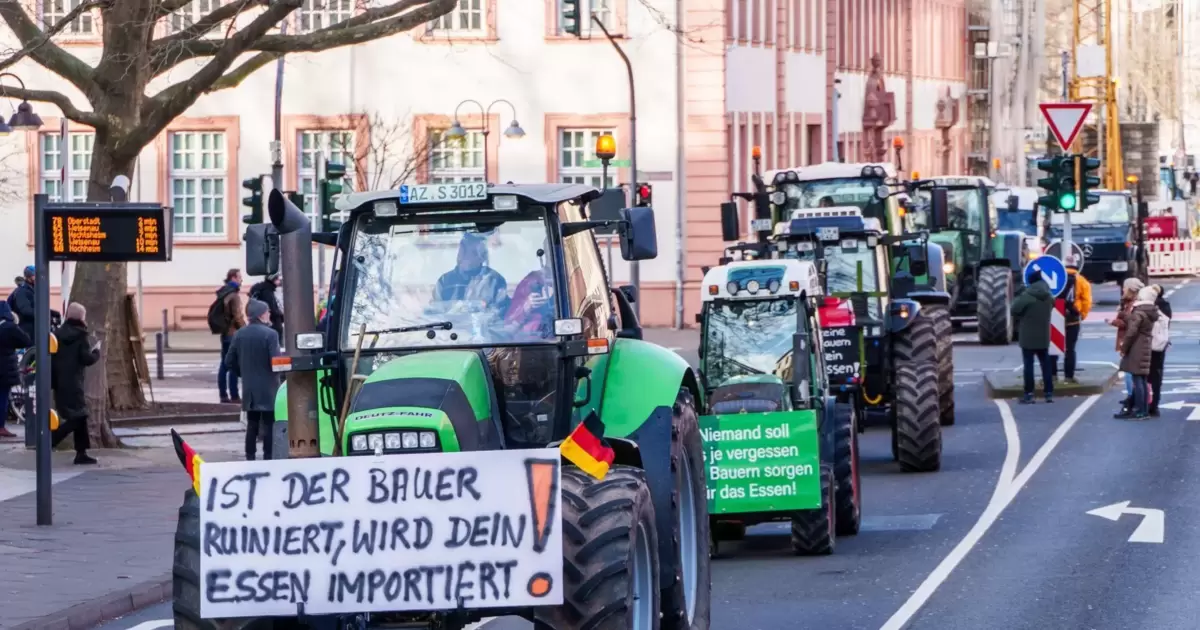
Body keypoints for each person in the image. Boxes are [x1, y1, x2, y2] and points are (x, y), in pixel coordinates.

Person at [225, 299, 282, 460]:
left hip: (250, 388)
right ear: (261, 315)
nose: (269, 313)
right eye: (267, 311)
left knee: (252, 424)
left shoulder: (239, 334)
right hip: (269, 387)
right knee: (269, 424)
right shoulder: (271, 335)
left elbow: (229, 362)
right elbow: (276, 362)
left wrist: (243, 373)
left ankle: (250, 457)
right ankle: (268, 457)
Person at [49, 303, 99, 464]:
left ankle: (81, 453)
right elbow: (86, 359)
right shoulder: (80, 336)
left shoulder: (57, 334)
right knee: (78, 416)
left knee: (79, 416)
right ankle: (50, 440)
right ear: (81, 318)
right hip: (74, 382)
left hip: (59, 382)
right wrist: (96, 352)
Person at [1116, 286, 1160, 420]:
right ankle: (1144, 410)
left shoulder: (1139, 312)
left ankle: (1140, 410)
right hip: (1145, 347)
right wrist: (1125, 315)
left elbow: (1131, 332)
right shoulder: (1149, 311)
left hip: (1137, 348)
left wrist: (1124, 348)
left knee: (1138, 379)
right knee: (1143, 379)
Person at [1011, 273, 1055, 403]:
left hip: (1027, 336)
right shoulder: (1049, 297)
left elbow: (1014, 310)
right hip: (1044, 335)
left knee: (1028, 366)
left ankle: (1029, 394)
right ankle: (1048, 393)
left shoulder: (1027, 296)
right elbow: (1053, 306)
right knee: (1046, 365)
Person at [433, 233, 508, 309]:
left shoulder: (494, 281)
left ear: (482, 258)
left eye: (471, 252)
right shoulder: (444, 281)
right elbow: (436, 311)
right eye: (462, 249)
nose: (462, 255)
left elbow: (501, 314)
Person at [1109, 277, 1145, 414]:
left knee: (1131, 373)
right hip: (1131, 342)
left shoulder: (1133, 305)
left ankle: (1133, 400)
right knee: (1132, 373)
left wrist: (1114, 321)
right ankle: (1133, 400)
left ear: (1130, 289)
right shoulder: (1128, 303)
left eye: (1125, 287)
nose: (1123, 289)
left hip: (1130, 343)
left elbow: (1129, 324)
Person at [504, 246, 556, 338]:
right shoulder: (530, 281)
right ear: (545, 254)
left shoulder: (571, 279)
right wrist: (526, 306)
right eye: (550, 251)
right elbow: (509, 323)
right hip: (534, 340)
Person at [0, 302, 30, 438]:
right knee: (3, 397)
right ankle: (1, 427)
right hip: (4, 368)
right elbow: (26, 340)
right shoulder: (9, 327)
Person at [215, 269, 246, 403]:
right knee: (233, 365)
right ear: (233, 278)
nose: (241, 280)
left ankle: (223, 394)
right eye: (239, 277)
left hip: (225, 333)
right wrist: (246, 330)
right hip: (233, 334)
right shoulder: (233, 295)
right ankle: (234, 395)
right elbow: (237, 316)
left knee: (224, 364)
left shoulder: (223, 293)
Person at [1062, 254, 1093, 384]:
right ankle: (1069, 377)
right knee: (1070, 349)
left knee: (1053, 349)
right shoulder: (1082, 281)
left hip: (1057, 318)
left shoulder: (1058, 278)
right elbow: (1086, 301)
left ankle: (1051, 376)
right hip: (1073, 319)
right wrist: (1082, 315)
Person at [1147, 284, 1172, 417]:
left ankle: (1147, 403)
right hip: (1162, 344)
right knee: (1157, 374)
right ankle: (1155, 403)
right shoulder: (1166, 306)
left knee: (1145, 375)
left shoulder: (1150, 307)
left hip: (1149, 344)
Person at [249, 273, 285, 344]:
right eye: (277, 279)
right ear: (273, 280)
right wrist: (282, 316)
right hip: (273, 324)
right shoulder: (267, 292)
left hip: (265, 324)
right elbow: (272, 309)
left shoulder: (263, 290)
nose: (279, 281)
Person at [9, 265, 35, 341]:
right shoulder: (21, 292)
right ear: (29, 277)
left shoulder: (33, 289)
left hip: (33, 327)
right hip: (25, 328)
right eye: (34, 276)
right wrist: (42, 315)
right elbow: (25, 310)